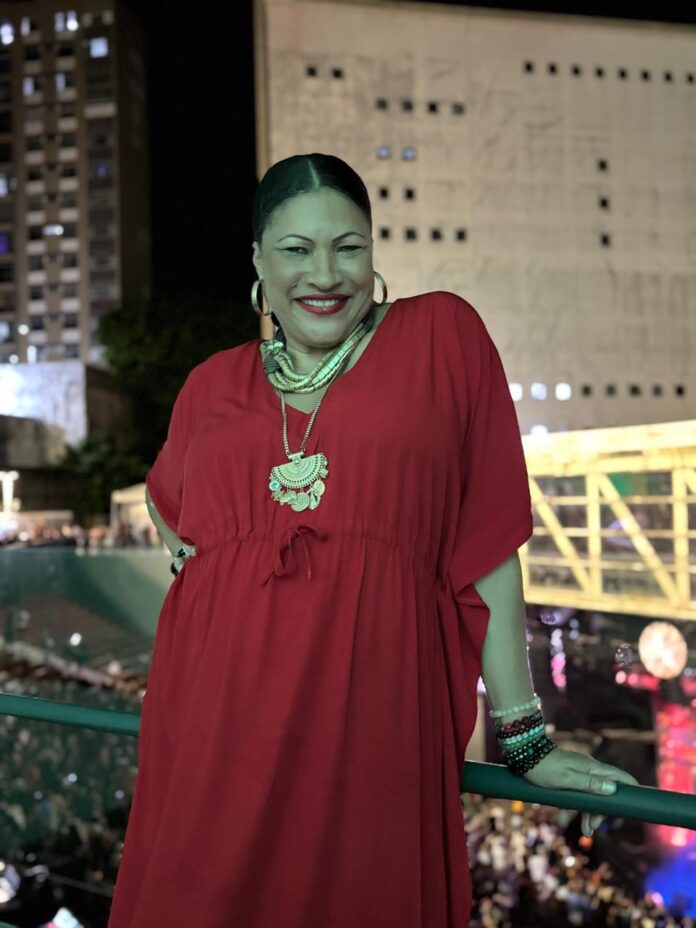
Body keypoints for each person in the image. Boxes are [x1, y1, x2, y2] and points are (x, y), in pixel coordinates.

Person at [106, 153, 640, 928]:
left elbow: (488, 546)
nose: (325, 274)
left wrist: (524, 739)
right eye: (296, 249)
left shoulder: (441, 338)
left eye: (348, 246)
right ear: (258, 261)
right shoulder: (209, 385)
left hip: (369, 730)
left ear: (373, 250)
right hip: (214, 732)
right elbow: (167, 495)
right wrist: (189, 546)